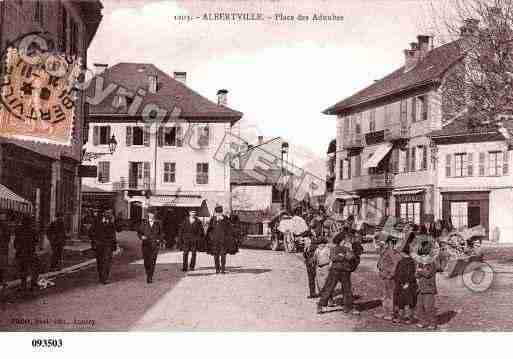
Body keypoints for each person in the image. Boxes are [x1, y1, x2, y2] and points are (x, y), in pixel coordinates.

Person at [317, 231, 363, 315]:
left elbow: (351, 257)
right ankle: (322, 305)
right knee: (333, 288)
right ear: (342, 241)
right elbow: (336, 257)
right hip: (338, 270)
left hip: (343, 271)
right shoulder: (338, 248)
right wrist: (345, 256)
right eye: (347, 240)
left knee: (342, 289)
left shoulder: (343, 249)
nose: (348, 241)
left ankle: (346, 307)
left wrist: (344, 256)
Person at [393, 233, 418, 324]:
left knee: (407, 302)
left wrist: (406, 283)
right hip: (401, 284)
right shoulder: (406, 261)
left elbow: (409, 274)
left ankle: (408, 317)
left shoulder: (408, 262)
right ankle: (401, 317)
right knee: (402, 302)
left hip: (407, 285)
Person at [375, 235, 401, 321]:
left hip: (389, 277)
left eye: (384, 242)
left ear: (389, 243)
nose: (381, 244)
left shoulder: (393, 253)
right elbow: (380, 263)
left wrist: (391, 274)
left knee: (390, 295)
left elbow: (396, 265)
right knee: (384, 295)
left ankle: (391, 313)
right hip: (384, 276)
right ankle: (385, 311)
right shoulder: (385, 251)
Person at [415, 240, 438, 329]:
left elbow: (428, 274)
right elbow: (416, 275)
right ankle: (422, 321)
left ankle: (432, 323)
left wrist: (420, 271)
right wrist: (419, 271)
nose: (423, 257)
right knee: (420, 306)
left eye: (425, 255)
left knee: (429, 307)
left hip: (429, 288)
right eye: (422, 255)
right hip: (420, 288)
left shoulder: (431, 263)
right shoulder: (420, 263)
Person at [89, 211, 117, 284]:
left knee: (107, 262)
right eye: (106, 216)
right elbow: (91, 232)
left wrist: (114, 246)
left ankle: (105, 278)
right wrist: (95, 241)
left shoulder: (111, 224)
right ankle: (101, 277)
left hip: (108, 246)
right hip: (99, 246)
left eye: (109, 216)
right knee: (100, 262)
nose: (107, 218)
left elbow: (114, 235)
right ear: (103, 216)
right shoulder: (97, 223)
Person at [14, 216, 39, 293]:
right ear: (30, 222)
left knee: (23, 270)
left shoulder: (18, 230)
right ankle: (33, 285)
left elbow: (15, 242)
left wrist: (17, 249)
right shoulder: (33, 230)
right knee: (35, 269)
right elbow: (36, 241)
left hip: (21, 253)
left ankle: (23, 285)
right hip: (30, 252)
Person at [206, 205, 234, 274]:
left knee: (223, 255)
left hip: (223, 241)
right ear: (215, 213)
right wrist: (211, 237)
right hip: (215, 241)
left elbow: (230, 229)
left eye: (220, 212)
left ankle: (223, 269)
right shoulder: (213, 219)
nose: (219, 214)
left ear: (222, 212)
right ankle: (217, 269)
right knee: (216, 256)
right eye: (217, 212)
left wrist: (223, 220)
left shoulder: (225, 219)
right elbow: (209, 229)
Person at [137, 211, 162, 283]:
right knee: (146, 261)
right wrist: (141, 237)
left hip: (154, 245)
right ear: (148, 215)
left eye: (153, 214)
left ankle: (150, 276)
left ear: (155, 215)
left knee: (153, 261)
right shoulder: (144, 223)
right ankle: (148, 272)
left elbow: (161, 233)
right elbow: (139, 232)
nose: (152, 215)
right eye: (150, 214)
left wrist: (159, 239)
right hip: (146, 245)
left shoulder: (158, 223)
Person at [303, 229, 323, 298]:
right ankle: (312, 293)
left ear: (309, 237)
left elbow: (316, 254)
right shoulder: (307, 244)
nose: (304, 240)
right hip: (308, 263)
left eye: (305, 238)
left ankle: (322, 293)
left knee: (318, 279)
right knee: (310, 279)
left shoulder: (314, 244)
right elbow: (305, 254)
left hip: (314, 263)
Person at [0, 214, 10, 295]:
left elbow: (7, 238)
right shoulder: (6, 226)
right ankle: (3, 282)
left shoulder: (5, 226)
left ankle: (3, 282)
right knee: (3, 266)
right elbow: (8, 238)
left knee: (3, 266)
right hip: (3, 250)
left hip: (3, 249)